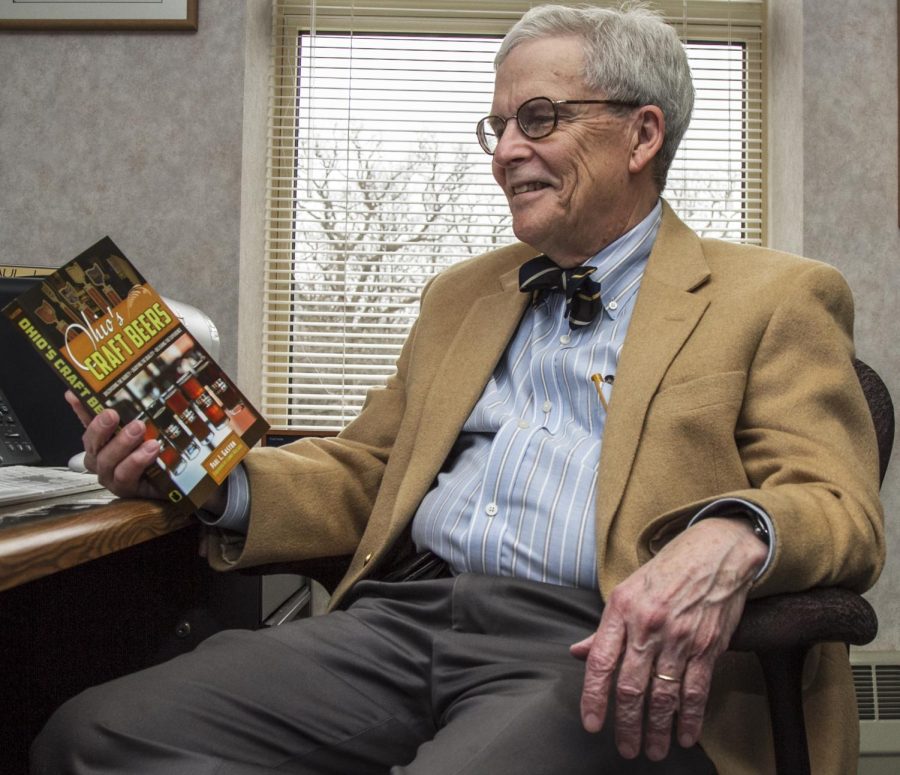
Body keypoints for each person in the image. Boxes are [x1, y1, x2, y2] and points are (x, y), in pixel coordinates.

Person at [32, 4, 883, 774]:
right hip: (400, 624)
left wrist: (733, 534)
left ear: (642, 134)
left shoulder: (775, 296)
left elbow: (836, 503)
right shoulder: (460, 295)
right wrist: (203, 474)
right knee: (91, 736)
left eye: (540, 118)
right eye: (500, 124)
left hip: (593, 647)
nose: (508, 149)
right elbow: (367, 469)